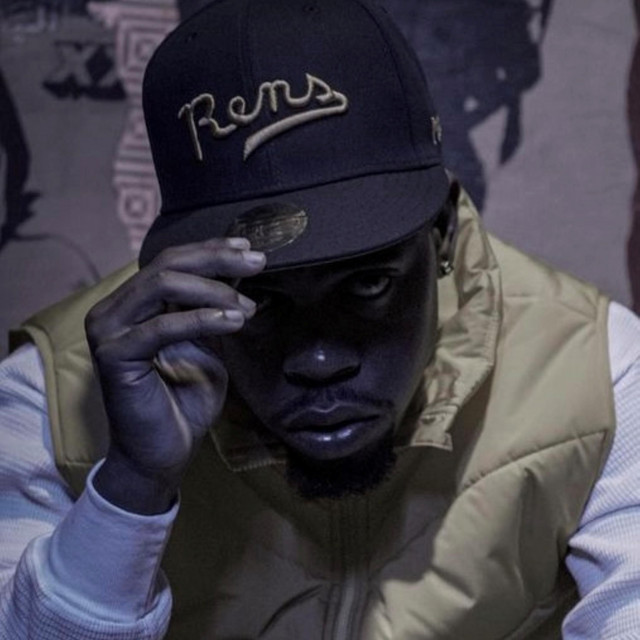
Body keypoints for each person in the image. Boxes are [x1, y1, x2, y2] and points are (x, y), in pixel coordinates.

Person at [1, 0, 639, 638]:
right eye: (257, 298)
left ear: (443, 230)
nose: (319, 360)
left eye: (369, 283)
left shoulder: (597, 374)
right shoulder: (51, 394)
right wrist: (132, 487)